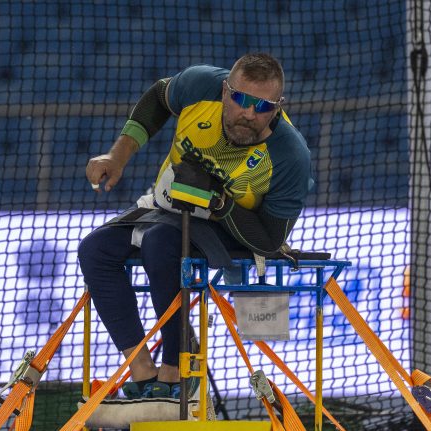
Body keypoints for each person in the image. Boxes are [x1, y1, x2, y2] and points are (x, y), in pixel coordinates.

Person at [78, 53, 313, 399]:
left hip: (231, 229)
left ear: (278, 107)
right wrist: (117, 156)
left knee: (161, 244)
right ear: (224, 91)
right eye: (240, 100)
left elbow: (269, 241)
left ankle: (177, 372)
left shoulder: (290, 155)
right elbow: (159, 97)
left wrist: (218, 201)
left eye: (261, 106)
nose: (248, 113)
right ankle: (143, 372)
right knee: (94, 249)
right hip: (168, 208)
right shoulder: (199, 84)